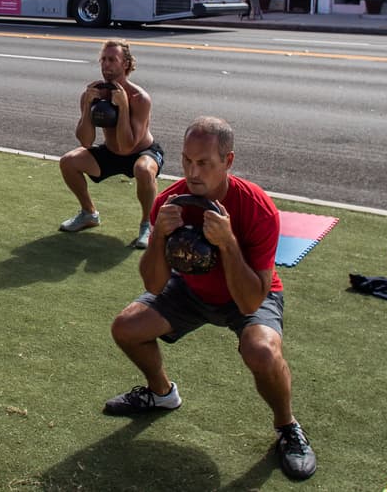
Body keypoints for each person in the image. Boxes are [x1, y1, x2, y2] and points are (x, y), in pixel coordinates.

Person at [103, 116, 317, 481]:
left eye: (204, 163)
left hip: (247, 293)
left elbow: (251, 302)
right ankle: (161, 393)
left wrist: (229, 242)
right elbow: (155, 285)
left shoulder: (256, 207)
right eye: (187, 160)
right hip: (190, 290)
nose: (192, 171)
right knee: (126, 327)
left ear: (228, 162)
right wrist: (158, 238)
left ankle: (287, 427)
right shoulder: (170, 202)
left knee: (261, 351)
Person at [57, 39, 164, 249]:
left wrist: (123, 108)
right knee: (68, 162)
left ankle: (147, 225)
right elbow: (86, 141)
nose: (106, 64)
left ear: (125, 64)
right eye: (103, 59)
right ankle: (89, 213)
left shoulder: (139, 98)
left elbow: (127, 146)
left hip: (141, 152)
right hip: (112, 152)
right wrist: (88, 106)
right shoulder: (93, 93)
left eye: (112, 59)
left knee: (143, 170)